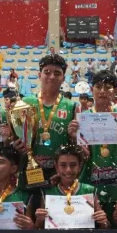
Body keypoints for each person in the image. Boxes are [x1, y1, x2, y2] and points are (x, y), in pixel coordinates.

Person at [80, 70, 117, 226]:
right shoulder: (83, 118)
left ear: (115, 91)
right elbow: (80, 157)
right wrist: (75, 139)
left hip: (115, 185)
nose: (102, 91)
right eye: (98, 86)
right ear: (91, 90)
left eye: (108, 87)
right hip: (89, 183)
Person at [19, 54, 79, 185]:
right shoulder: (25, 103)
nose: (52, 76)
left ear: (63, 78)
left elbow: (75, 145)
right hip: (30, 168)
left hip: (59, 171)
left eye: (57, 73)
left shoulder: (71, 106)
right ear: (39, 75)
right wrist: (15, 144)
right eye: (47, 72)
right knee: (32, 205)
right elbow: (16, 138)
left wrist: (74, 137)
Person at [36, 144, 109, 229]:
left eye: (73, 165)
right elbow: (38, 229)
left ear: (80, 166)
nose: (68, 170)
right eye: (63, 165)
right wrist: (39, 220)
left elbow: (106, 228)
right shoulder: (47, 193)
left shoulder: (89, 191)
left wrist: (104, 221)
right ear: (56, 167)